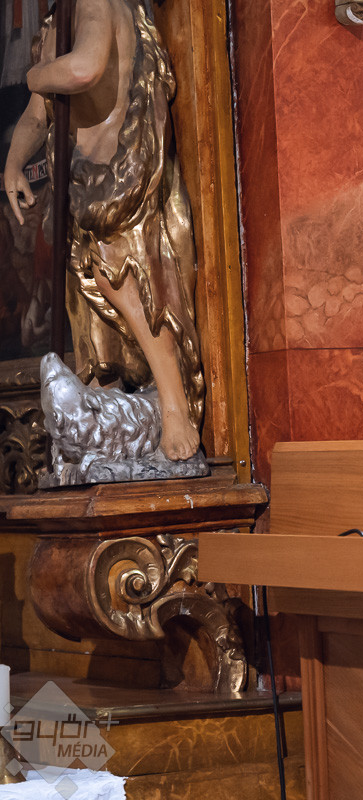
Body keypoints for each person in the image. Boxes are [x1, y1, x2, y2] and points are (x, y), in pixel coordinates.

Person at [3, 0, 203, 461]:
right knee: (89, 299)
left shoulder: (96, 3)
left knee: (125, 279)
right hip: (80, 180)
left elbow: (84, 70)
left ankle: (174, 404)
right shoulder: (57, 22)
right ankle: (106, 401)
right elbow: (37, 115)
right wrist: (13, 163)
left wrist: (34, 75)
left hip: (119, 171)